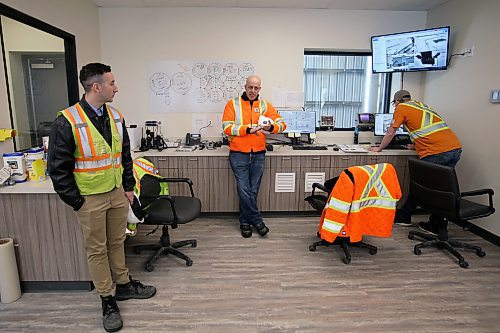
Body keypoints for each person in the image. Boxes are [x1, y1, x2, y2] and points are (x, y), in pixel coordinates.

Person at [48, 63, 156, 333]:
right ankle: (107, 300)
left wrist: (129, 188)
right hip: (90, 199)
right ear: (96, 86)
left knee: (117, 241)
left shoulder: (116, 116)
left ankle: (123, 285)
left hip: (116, 192)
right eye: (112, 83)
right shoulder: (67, 121)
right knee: (97, 250)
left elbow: (125, 157)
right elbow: (57, 170)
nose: (116, 87)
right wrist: (77, 201)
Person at [369, 89, 462, 235]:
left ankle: (404, 216)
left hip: (436, 151)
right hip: (454, 148)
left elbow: (391, 132)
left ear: (397, 101)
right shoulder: (420, 105)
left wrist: (379, 148)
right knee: (443, 189)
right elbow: (428, 130)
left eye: (394, 103)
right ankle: (435, 225)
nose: (395, 106)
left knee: (420, 186)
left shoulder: (401, 108)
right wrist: (415, 145)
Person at [222, 75, 286, 238]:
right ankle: (257, 221)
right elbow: (227, 127)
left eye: (256, 88)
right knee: (244, 189)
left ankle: (244, 222)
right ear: (245, 86)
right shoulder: (233, 104)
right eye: (250, 87)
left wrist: (271, 126)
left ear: (259, 89)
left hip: (258, 153)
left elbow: (282, 124)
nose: (252, 90)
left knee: (253, 190)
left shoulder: (265, 105)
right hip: (238, 153)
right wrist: (247, 129)